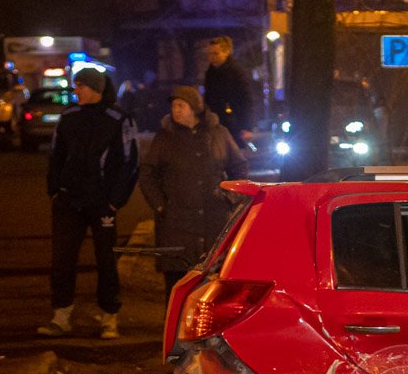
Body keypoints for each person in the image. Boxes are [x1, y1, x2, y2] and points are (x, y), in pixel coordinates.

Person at [39, 68, 139, 339]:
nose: (76, 91)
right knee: (62, 260)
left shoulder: (118, 119)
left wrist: (115, 201)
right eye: (76, 86)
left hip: (102, 203)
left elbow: (129, 163)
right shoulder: (69, 117)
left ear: (95, 88)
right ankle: (61, 316)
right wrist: (55, 191)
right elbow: (56, 155)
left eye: (80, 86)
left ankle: (109, 317)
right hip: (69, 200)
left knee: (106, 261)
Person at [138, 86, 248, 299]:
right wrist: (161, 205)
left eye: (181, 105)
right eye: (173, 106)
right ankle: (175, 327)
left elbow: (239, 167)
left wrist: (230, 196)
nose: (176, 110)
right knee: (177, 282)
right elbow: (147, 174)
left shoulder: (218, 134)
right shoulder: (165, 138)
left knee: (211, 280)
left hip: (213, 219)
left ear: (195, 108)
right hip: (176, 222)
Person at [203, 35, 256, 145]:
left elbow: (246, 99)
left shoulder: (236, 72)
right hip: (216, 122)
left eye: (215, 53)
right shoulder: (211, 72)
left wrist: (247, 127)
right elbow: (208, 97)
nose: (211, 57)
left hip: (234, 123)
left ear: (226, 52)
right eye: (209, 54)